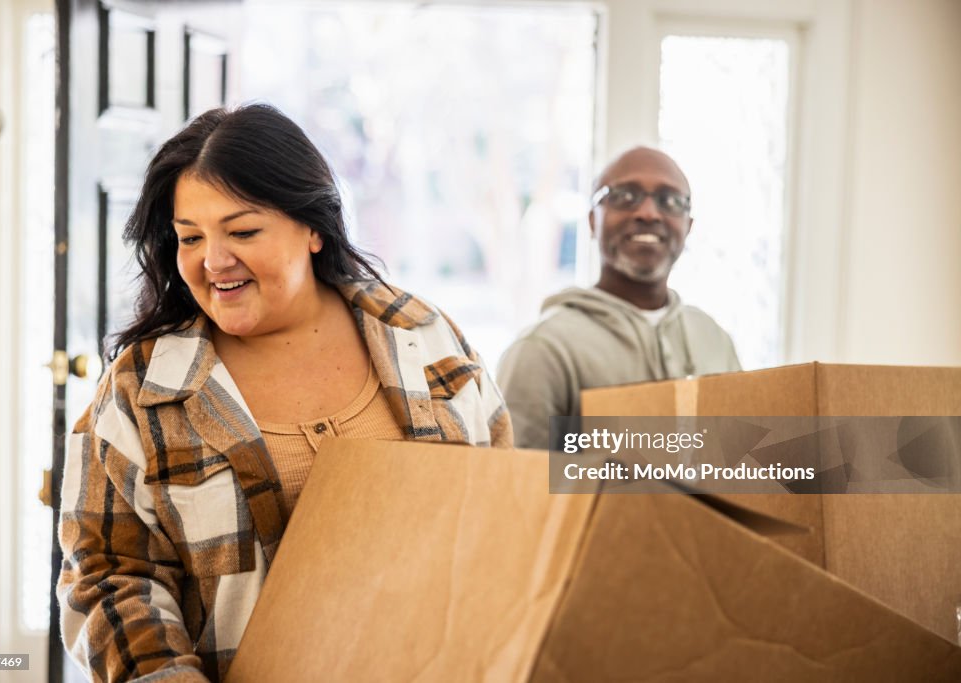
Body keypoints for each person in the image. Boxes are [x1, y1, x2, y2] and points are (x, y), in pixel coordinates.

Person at [56, 103, 512, 682]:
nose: (213, 261)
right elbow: (107, 575)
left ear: (314, 227)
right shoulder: (140, 391)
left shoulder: (422, 334)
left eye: (243, 231)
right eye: (189, 237)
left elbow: (500, 505)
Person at [497, 147, 740, 449]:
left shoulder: (713, 339)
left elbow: (738, 463)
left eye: (670, 200)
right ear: (592, 221)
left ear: (689, 226)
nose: (648, 213)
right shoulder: (543, 349)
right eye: (624, 196)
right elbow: (515, 489)